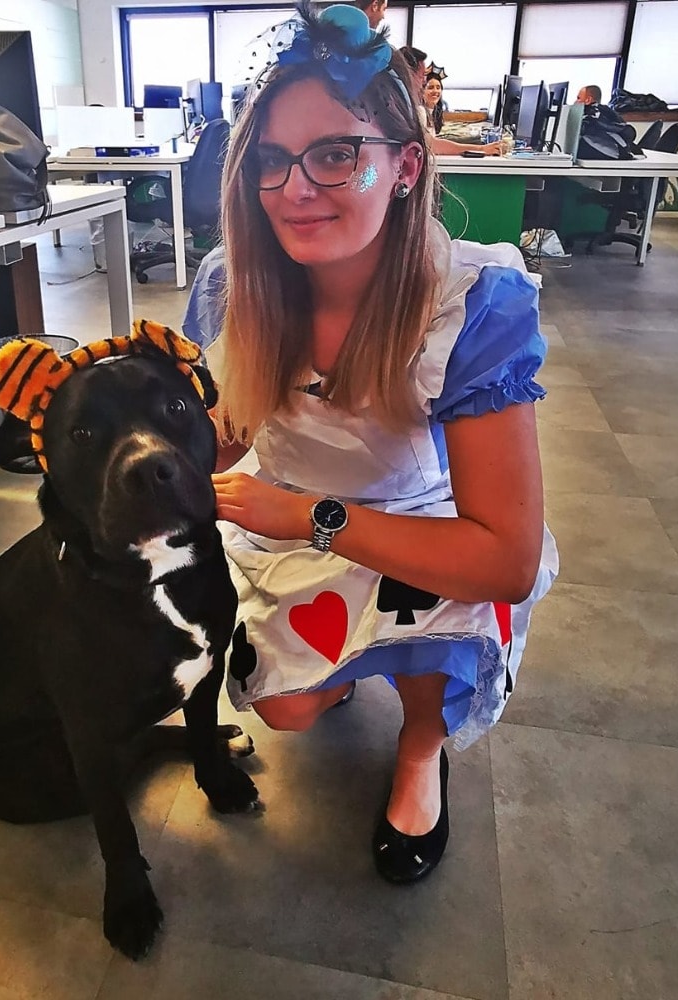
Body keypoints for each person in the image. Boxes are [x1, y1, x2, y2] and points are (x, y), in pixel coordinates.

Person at [186, 1, 557, 886]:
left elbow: (504, 559)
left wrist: (305, 515)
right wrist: (123, 436)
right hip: (289, 522)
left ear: (405, 168)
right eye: (271, 159)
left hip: (426, 526)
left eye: (335, 153)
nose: (293, 188)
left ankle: (421, 747)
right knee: (288, 709)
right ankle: (348, 662)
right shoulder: (232, 284)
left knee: (439, 626)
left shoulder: (470, 304)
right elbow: (226, 434)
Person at [398, 47, 502, 156]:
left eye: (438, 87)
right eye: (421, 76)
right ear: (407, 74)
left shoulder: (406, 105)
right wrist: (481, 149)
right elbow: (432, 145)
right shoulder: (411, 109)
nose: (423, 81)